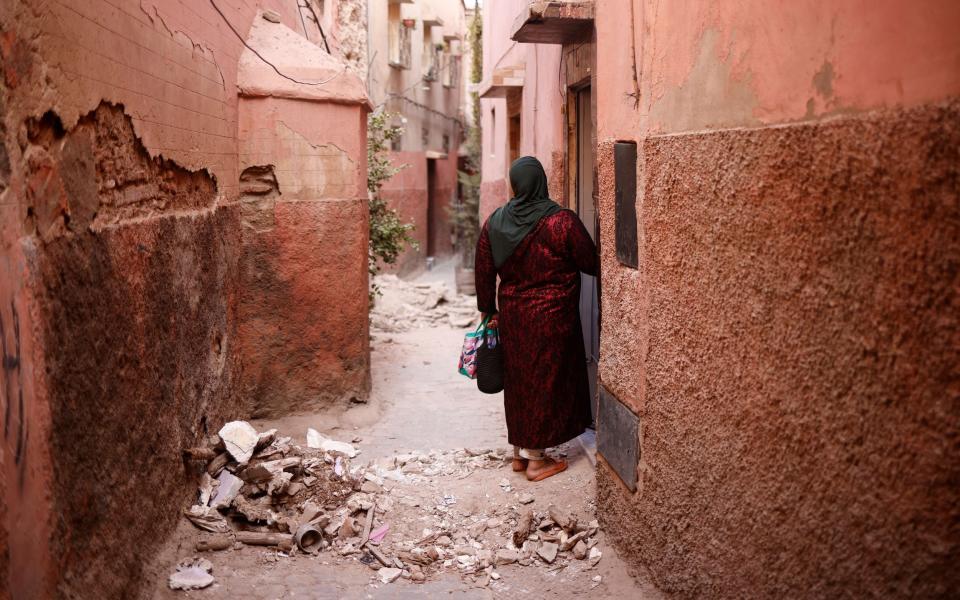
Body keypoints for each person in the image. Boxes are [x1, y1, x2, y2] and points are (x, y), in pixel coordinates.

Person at [474, 156, 597, 482]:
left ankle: (519, 453)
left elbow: (484, 271)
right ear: (541, 181)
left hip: (514, 318)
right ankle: (538, 460)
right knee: (546, 384)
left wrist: (489, 311)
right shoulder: (561, 222)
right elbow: (590, 262)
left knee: (519, 383)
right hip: (553, 320)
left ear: (516, 184)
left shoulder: (495, 222)